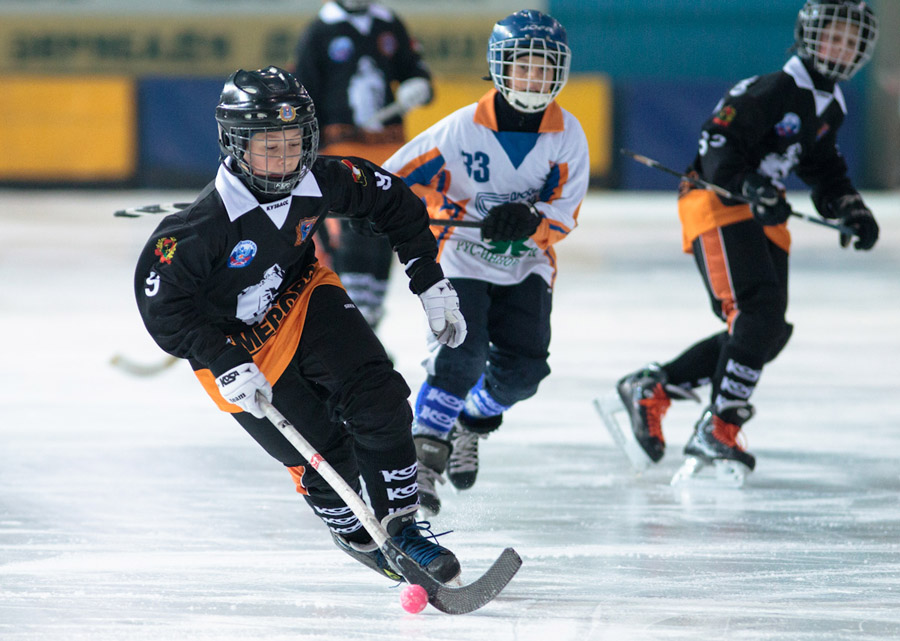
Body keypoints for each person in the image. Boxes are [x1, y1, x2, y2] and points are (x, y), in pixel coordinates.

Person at [133, 66, 467, 584]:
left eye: (294, 142)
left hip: (303, 298)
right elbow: (162, 304)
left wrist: (429, 276)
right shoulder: (200, 228)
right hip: (239, 351)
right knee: (323, 459)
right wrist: (222, 360)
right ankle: (354, 529)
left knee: (378, 398)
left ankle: (404, 527)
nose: (286, 159)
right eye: (269, 145)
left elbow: (392, 199)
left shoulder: (318, 181)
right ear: (234, 145)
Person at [598, 0, 880, 485]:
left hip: (762, 216)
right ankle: (720, 425)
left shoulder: (831, 105)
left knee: (768, 331)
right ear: (808, 37)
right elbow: (717, 142)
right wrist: (750, 186)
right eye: (833, 36)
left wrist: (850, 206)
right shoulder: (772, 89)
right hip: (717, 200)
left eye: (851, 41)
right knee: (756, 313)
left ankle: (654, 388)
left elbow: (822, 166)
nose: (841, 48)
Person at [382, 9, 589, 515]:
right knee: (461, 355)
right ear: (501, 68)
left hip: (527, 266)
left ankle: (468, 422)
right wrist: (369, 204)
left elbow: (565, 214)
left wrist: (530, 220)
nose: (534, 78)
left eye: (545, 68)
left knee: (523, 374)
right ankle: (423, 462)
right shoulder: (459, 131)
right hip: (459, 259)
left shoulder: (567, 136)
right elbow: (393, 176)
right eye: (524, 66)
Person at [292, 0, 435, 330]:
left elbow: (414, 68)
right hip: (340, 148)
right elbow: (304, 96)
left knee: (387, 228)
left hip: (388, 149)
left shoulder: (388, 23)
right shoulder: (319, 31)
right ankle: (349, 320)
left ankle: (367, 320)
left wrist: (419, 83)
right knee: (349, 230)